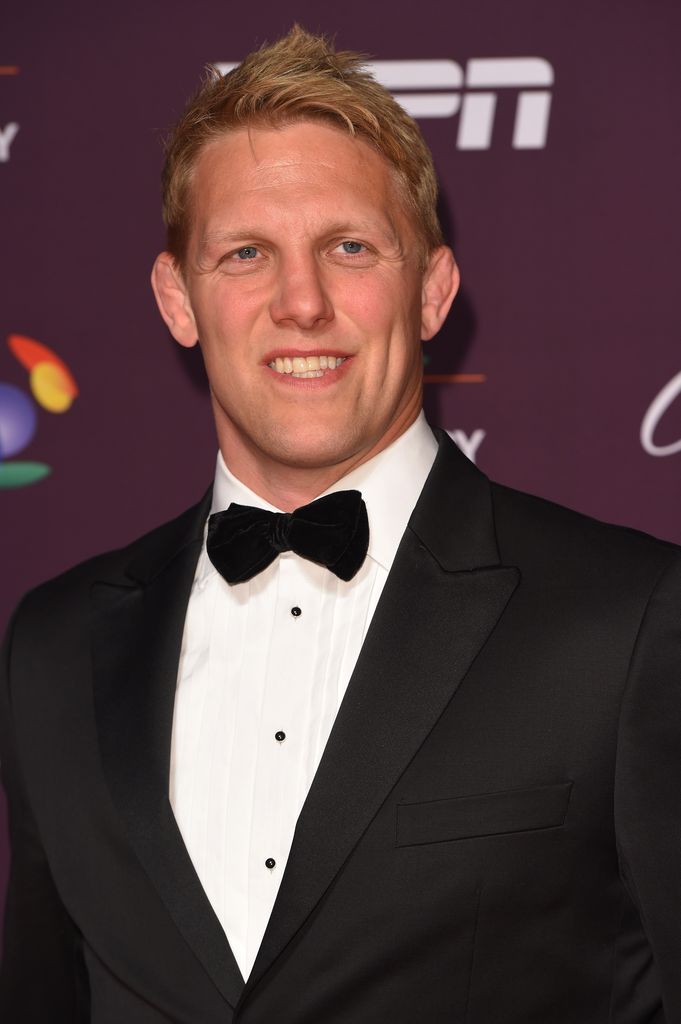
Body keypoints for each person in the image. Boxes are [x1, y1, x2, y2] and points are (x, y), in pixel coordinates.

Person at [1, 25, 680, 1024]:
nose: (303, 302)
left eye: (349, 247)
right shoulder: (54, 648)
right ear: (177, 299)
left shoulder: (626, 623)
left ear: (434, 289)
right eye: (246, 254)